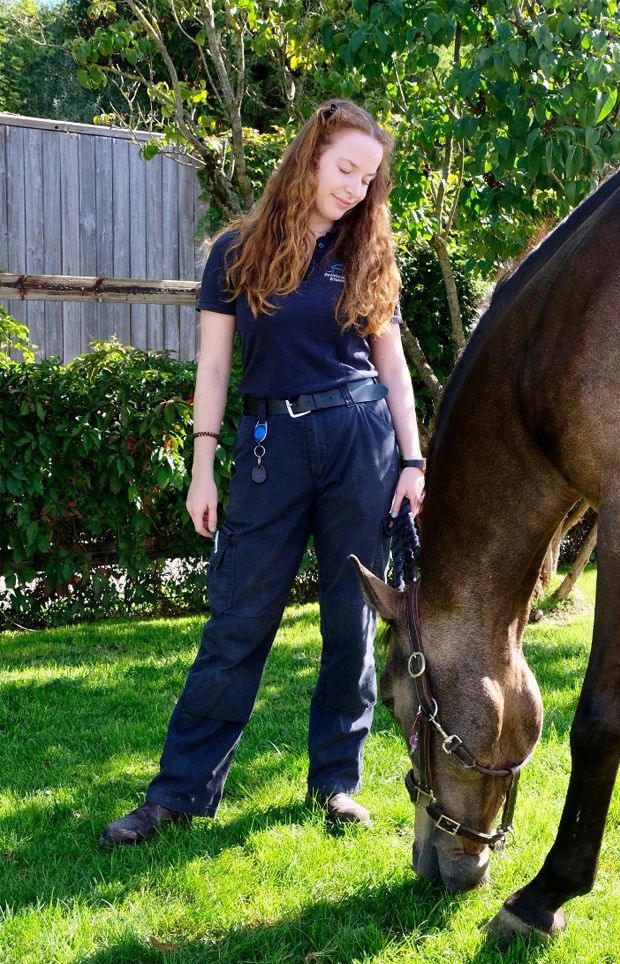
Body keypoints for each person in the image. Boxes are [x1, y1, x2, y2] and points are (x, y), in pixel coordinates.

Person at [100, 98, 424, 847]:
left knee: (351, 620)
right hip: (269, 445)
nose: (353, 186)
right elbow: (214, 367)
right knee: (238, 620)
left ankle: (337, 782)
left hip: (359, 440)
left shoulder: (369, 252)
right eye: (345, 168)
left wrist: (412, 460)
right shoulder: (236, 252)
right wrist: (202, 465)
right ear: (309, 156)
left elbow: (393, 368)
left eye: (367, 177)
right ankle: (178, 792)